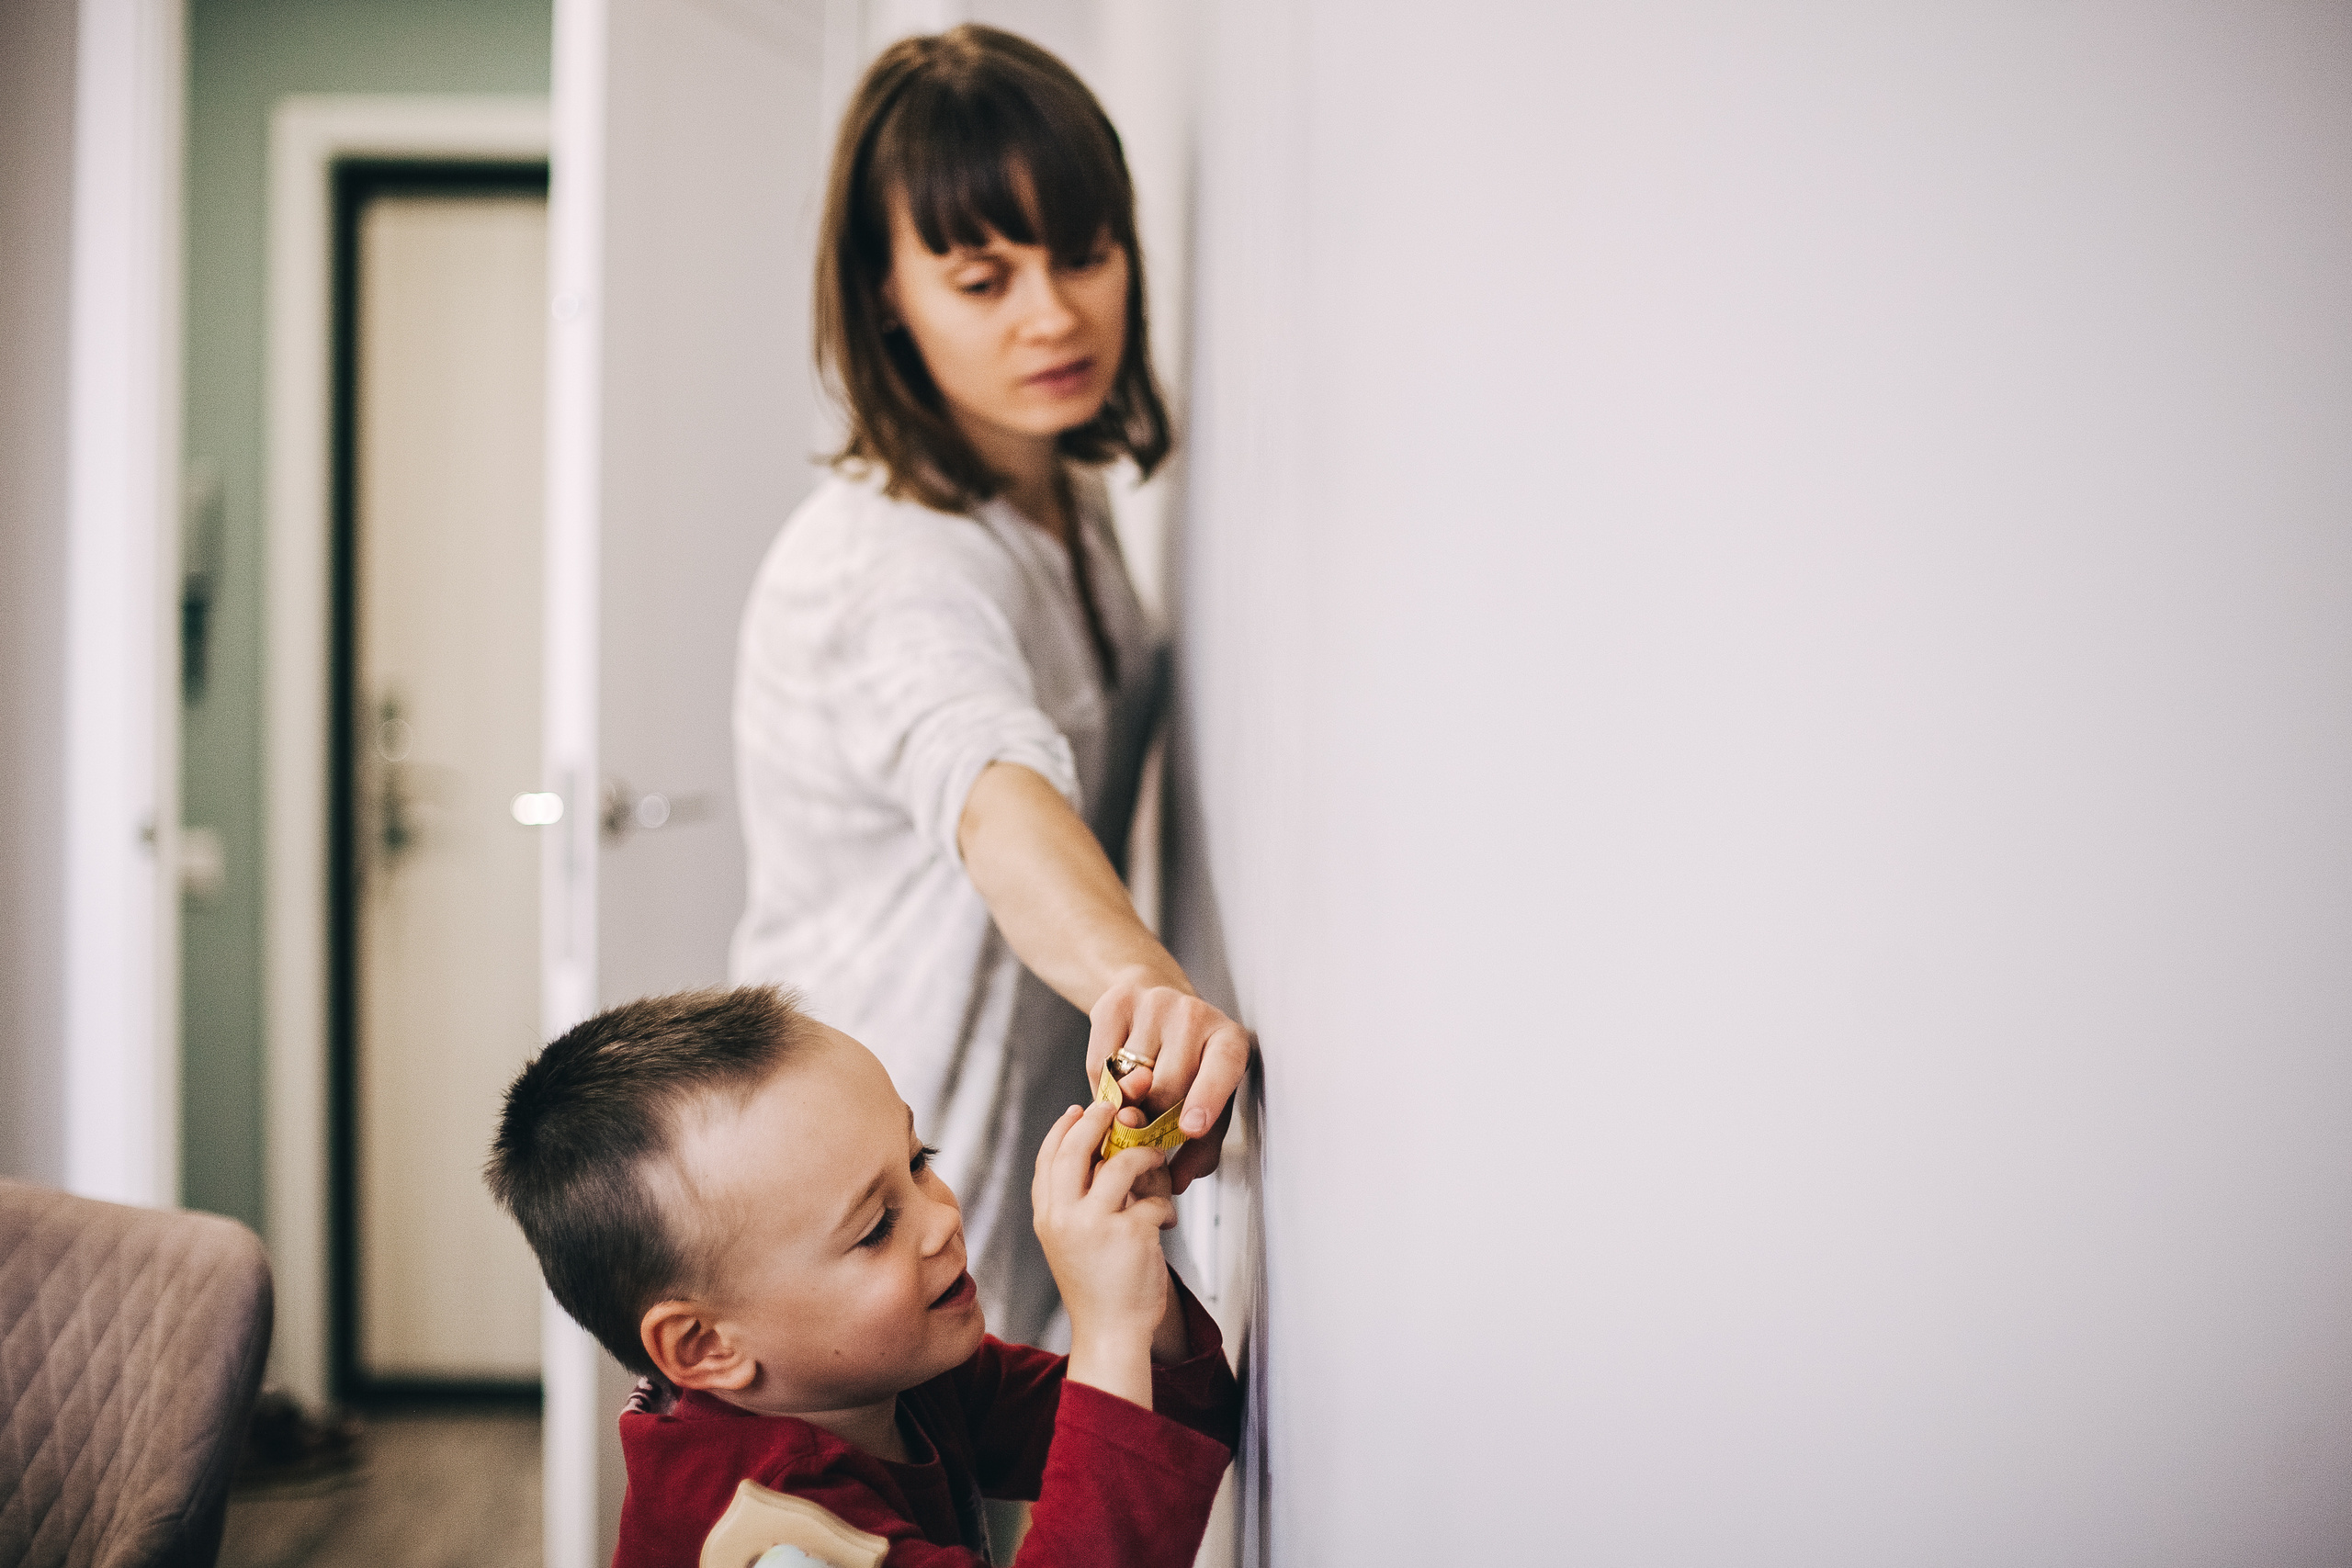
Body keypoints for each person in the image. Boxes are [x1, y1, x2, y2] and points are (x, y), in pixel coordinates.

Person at [729, 23, 1246, 1346]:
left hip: (993, 1163)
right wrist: (1144, 983)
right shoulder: (882, 558)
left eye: (1083, 254)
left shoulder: (1059, 485)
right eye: (981, 275)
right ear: (887, 290)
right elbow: (992, 787)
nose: (1053, 314)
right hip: (857, 1207)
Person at [486, 986, 1240, 1568]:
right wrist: (1106, 1327)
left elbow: (1178, 1428)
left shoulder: (884, 1374)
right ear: (707, 1344)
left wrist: (1135, 1271)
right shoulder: (779, 1540)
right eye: (875, 1227)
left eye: (919, 1161)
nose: (942, 1219)